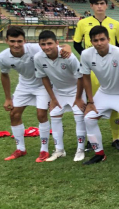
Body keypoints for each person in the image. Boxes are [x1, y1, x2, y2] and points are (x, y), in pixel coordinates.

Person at [0, 27, 72, 162]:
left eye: (19, 41)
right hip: (24, 85)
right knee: (14, 114)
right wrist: (8, 98)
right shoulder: (2, 57)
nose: (16, 44)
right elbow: (4, 75)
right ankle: (20, 148)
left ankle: (43, 150)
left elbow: (60, 46)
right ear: (6, 41)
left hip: (42, 85)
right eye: (12, 41)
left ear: (25, 41)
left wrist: (67, 47)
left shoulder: (36, 48)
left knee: (41, 114)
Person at [73, 0, 119, 152]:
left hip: (111, 69)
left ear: (106, 5)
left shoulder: (115, 24)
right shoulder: (83, 23)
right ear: (92, 6)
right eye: (96, 4)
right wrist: (88, 59)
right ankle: (91, 139)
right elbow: (76, 44)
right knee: (90, 104)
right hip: (92, 70)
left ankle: (116, 138)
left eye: (102, 3)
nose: (100, 6)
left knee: (115, 106)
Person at [79, 26, 119, 166]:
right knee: (88, 118)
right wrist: (90, 101)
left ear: (108, 39)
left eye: (102, 39)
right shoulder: (86, 54)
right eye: (95, 40)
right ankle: (99, 154)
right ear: (91, 41)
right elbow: (85, 78)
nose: (99, 43)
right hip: (104, 92)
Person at [34, 31, 87, 162]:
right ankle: (59, 150)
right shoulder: (38, 58)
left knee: (79, 116)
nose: (47, 47)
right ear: (39, 45)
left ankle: (80, 149)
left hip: (76, 90)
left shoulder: (68, 56)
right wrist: (52, 98)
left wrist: (79, 98)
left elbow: (80, 77)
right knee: (54, 116)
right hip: (58, 91)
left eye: (50, 43)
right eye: (43, 44)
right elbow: (44, 78)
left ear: (57, 43)